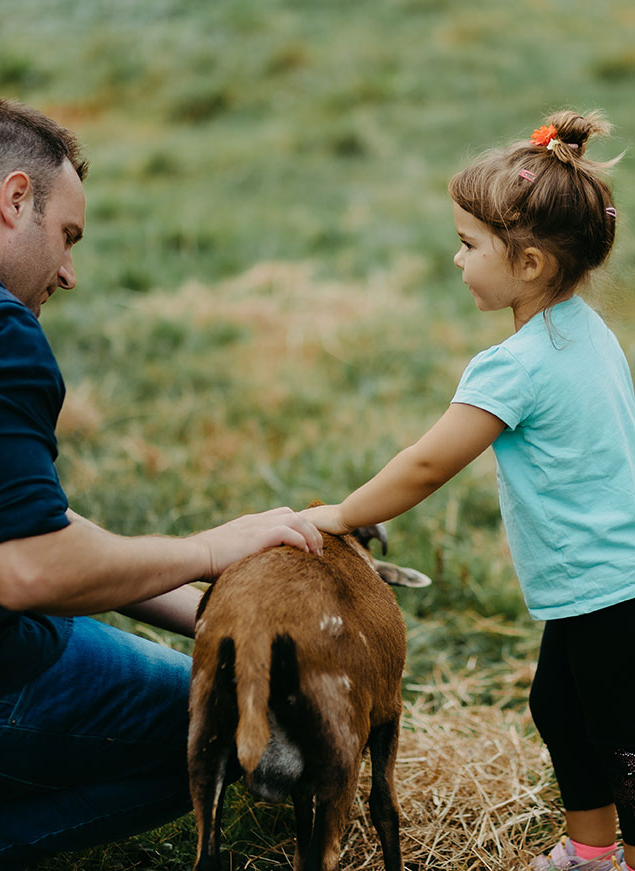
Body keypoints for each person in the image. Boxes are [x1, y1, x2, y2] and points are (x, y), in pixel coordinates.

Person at [0, 97, 322, 871]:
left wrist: (218, 616)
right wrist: (212, 546)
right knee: (219, 726)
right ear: (14, 198)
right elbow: (28, 566)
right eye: (67, 235)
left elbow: (15, 513)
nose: (68, 273)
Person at [301, 110, 635, 871]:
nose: (454, 259)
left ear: (526, 266)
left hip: (606, 587)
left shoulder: (512, 367)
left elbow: (424, 465)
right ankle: (591, 853)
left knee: (622, 742)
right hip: (603, 581)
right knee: (561, 708)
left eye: (466, 244)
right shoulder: (587, 330)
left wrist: (342, 514)